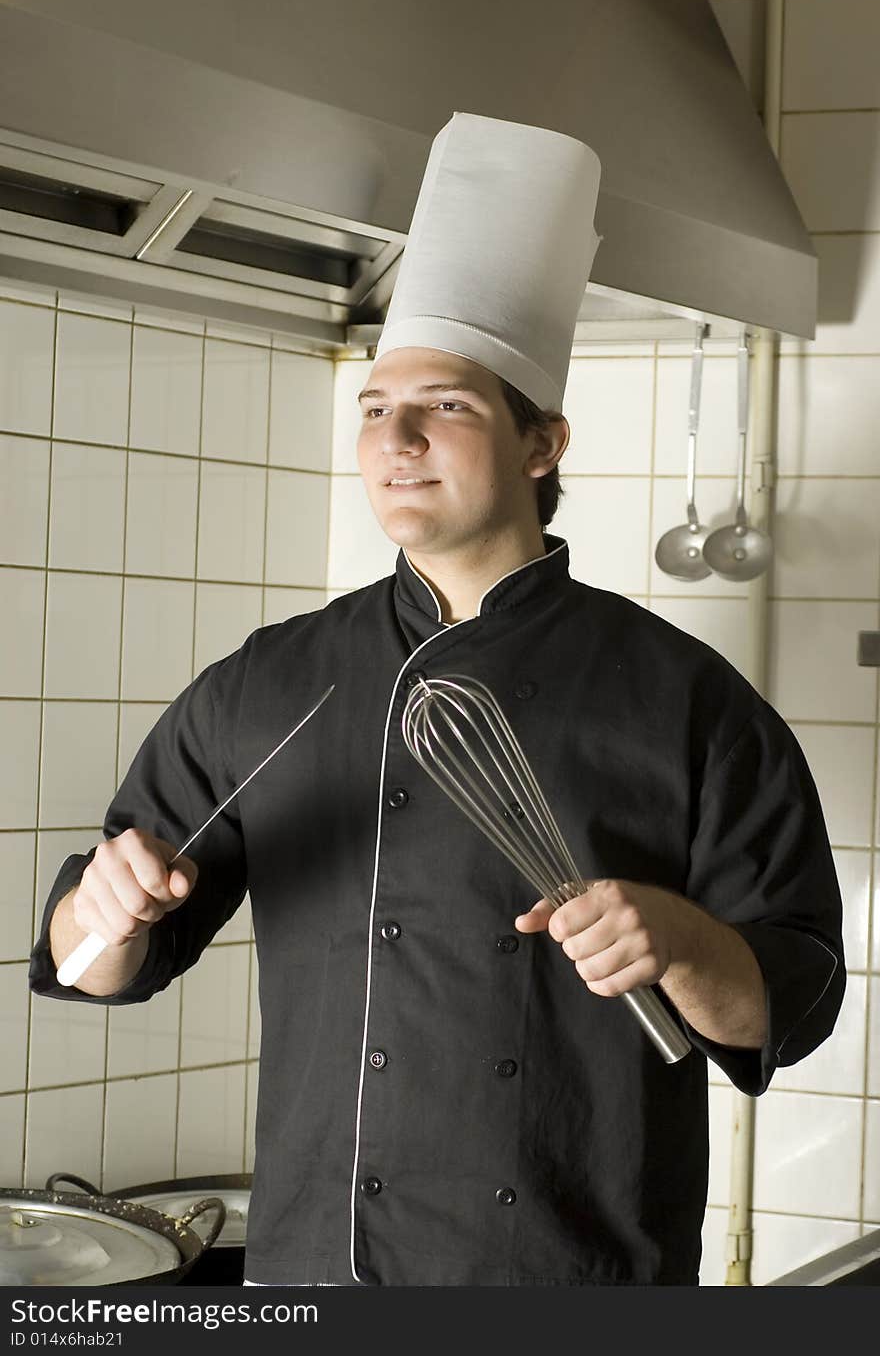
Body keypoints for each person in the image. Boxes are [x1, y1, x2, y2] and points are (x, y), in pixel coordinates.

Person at [29, 114, 845, 1287]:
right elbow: (98, 965)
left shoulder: (688, 703)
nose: (395, 437)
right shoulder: (269, 680)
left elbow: (790, 1002)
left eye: (447, 406)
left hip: (572, 1277)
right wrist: (101, 907)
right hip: (310, 1273)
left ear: (541, 443)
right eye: (373, 408)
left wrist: (676, 936)